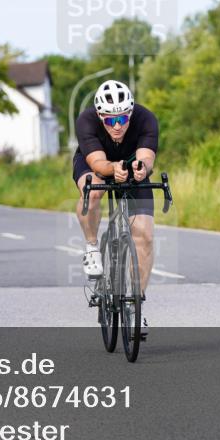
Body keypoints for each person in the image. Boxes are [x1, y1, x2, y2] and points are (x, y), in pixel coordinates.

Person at [73, 80, 158, 337]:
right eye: (110, 120)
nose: (117, 126)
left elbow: (147, 157)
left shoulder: (145, 119)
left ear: (130, 112)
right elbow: (97, 162)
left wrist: (141, 169)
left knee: (145, 236)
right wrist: (112, 169)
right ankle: (92, 247)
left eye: (122, 119)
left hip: (131, 167)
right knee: (93, 191)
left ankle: (135, 304)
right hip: (96, 164)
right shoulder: (86, 120)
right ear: (101, 116)